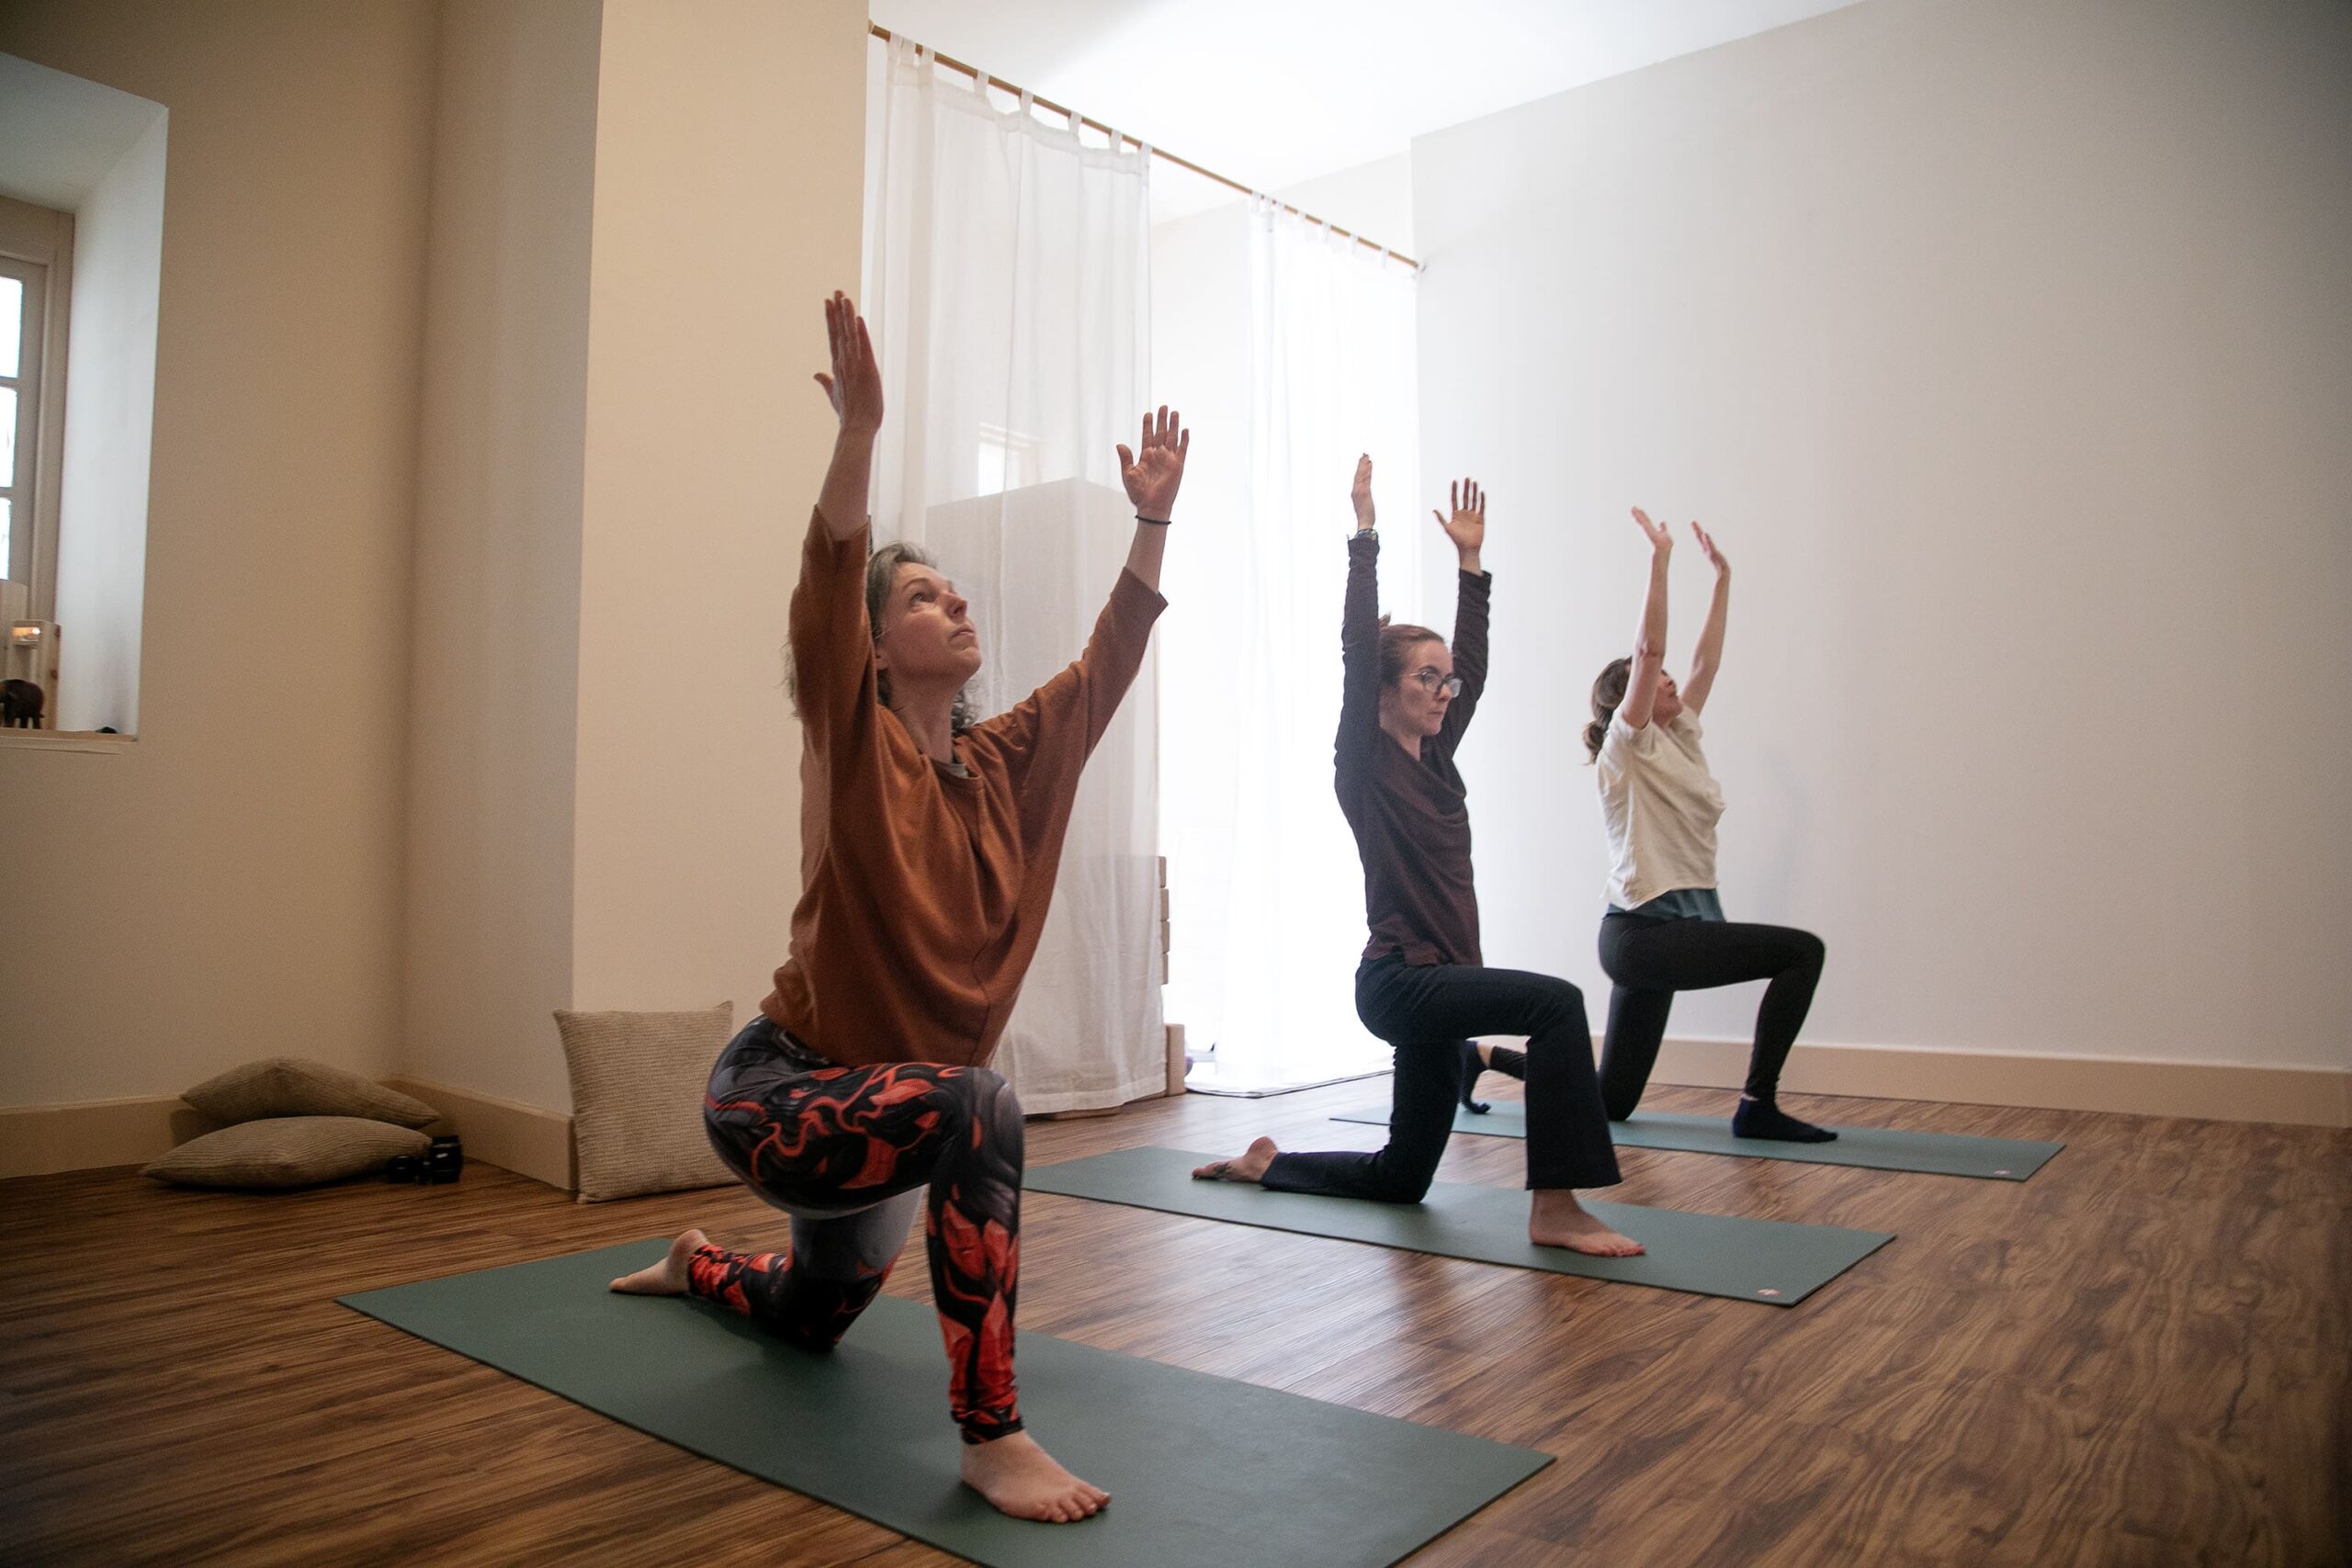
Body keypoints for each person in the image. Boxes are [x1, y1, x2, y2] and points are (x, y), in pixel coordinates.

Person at [610, 292, 1191, 1523]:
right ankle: (992, 1435)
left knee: (811, 1319)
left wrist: (1151, 518)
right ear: (874, 650)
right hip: (779, 1091)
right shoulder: (852, 740)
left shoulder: (1004, 765)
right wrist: (859, 434)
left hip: (891, 1119)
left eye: (955, 593)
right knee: (982, 1099)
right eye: (924, 598)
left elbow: (1109, 659)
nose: (957, 605)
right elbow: (823, 587)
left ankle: (698, 1262)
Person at [1190, 458, 1642, 1258]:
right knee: (1557, 1004)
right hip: (1401, 979)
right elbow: (1357, 648)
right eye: (1426, 677)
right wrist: (1365, 532)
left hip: (1443, 984)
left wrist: (1472, 566)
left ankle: (1270, 1162)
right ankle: (1556, 1207)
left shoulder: (1438, 755)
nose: (1443, 690)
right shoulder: (1363, 761)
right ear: (1385, 690)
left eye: (1446, 679)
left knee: (1402, 1175)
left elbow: (1477, 662)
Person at [1479, 508, 1832, 1143]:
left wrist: (1724, 580)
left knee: (1611, 1100)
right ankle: (1757, 1103)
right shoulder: (1629, 745)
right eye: (1658, 680)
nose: (1670, 681)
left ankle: (1476, 1057)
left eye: (1670, 681)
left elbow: (1706, 663)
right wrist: (1660, 560)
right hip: (1642, 934)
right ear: (1630, 701)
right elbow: (1651, 650)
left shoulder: (1681, 736)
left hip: (1665, 935)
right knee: (1803, 952)